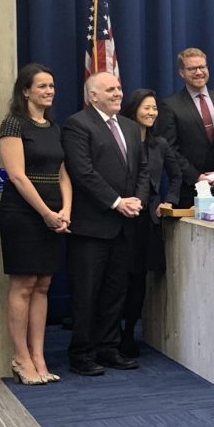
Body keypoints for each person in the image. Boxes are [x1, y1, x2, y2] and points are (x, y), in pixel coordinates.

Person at [62, 72, 149, 376]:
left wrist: (136, 200)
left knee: (116, 290)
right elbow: (82, 172)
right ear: (93, 95)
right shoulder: (78, 124)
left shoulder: (129, 126)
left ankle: (108, 348)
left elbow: (142, 170)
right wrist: (116, 202)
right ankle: (82, 353)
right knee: (87, 292)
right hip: (91, 227)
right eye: (110, 89)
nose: (117, 93)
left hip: (125, 225)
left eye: (119, 88)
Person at [0, 63, 72, 385]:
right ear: (26, 90)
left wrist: (65, 209)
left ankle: (40, 356)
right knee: (24, 284)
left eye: (52, 86)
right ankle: (21, 357)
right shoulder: (13, 124)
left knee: (43, 284)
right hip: (23, 214)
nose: (49, 91)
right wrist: (45, 212)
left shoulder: (53, 127)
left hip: (54, 215)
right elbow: (17, 175)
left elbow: (62, 173)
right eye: (42, 86)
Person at [119, 89, 182, 357]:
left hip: (148, 220)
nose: (151, 113)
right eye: (146, 107)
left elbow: (176, 176)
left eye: (154, 108)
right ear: (133, 110)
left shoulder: (160, 144)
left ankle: (129, 334)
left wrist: (169, 200)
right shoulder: (120, 140)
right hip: (120, 216)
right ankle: (109, 334)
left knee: (138, 280)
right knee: (118, 280)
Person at [156, 47, 214, 207]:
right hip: (189, 189)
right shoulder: (170, 105)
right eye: (192, 68)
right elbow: (170, 148)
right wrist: (196, 177)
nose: (198, 72)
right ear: (182, 73)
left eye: (202, 67)